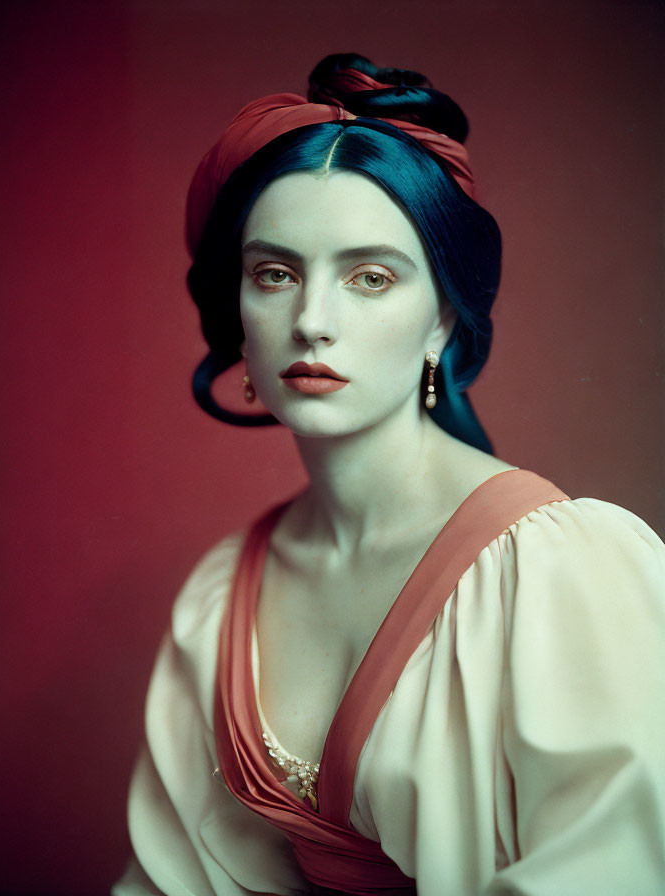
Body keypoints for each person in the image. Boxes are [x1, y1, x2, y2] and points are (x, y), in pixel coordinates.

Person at [114, 54, 665, 895]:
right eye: (276, 274)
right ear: (239, 314)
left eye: (370, 277)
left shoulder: (564, 569)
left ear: (443, 319)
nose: (312, 321)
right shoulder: (219, 597)